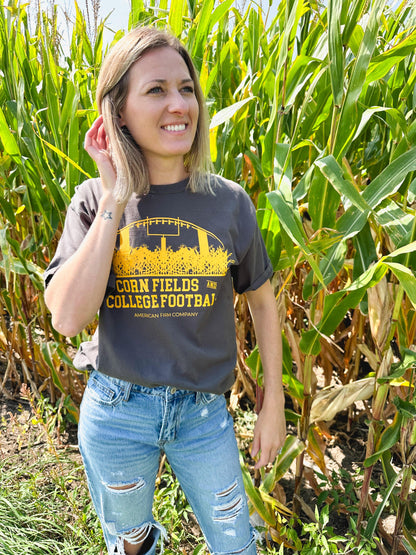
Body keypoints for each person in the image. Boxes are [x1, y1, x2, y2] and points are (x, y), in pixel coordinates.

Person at [44, 26, 286, 555]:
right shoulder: (92, 203)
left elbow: (264, 303)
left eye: (186, 88)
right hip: (117, 412)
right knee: (129, 543)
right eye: (155, 90)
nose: (179, 104)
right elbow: (67, 318)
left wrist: (274, 402)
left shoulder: (229, 202)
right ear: (119, 111)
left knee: (236, 544)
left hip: (204, 416)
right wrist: (114, 196)